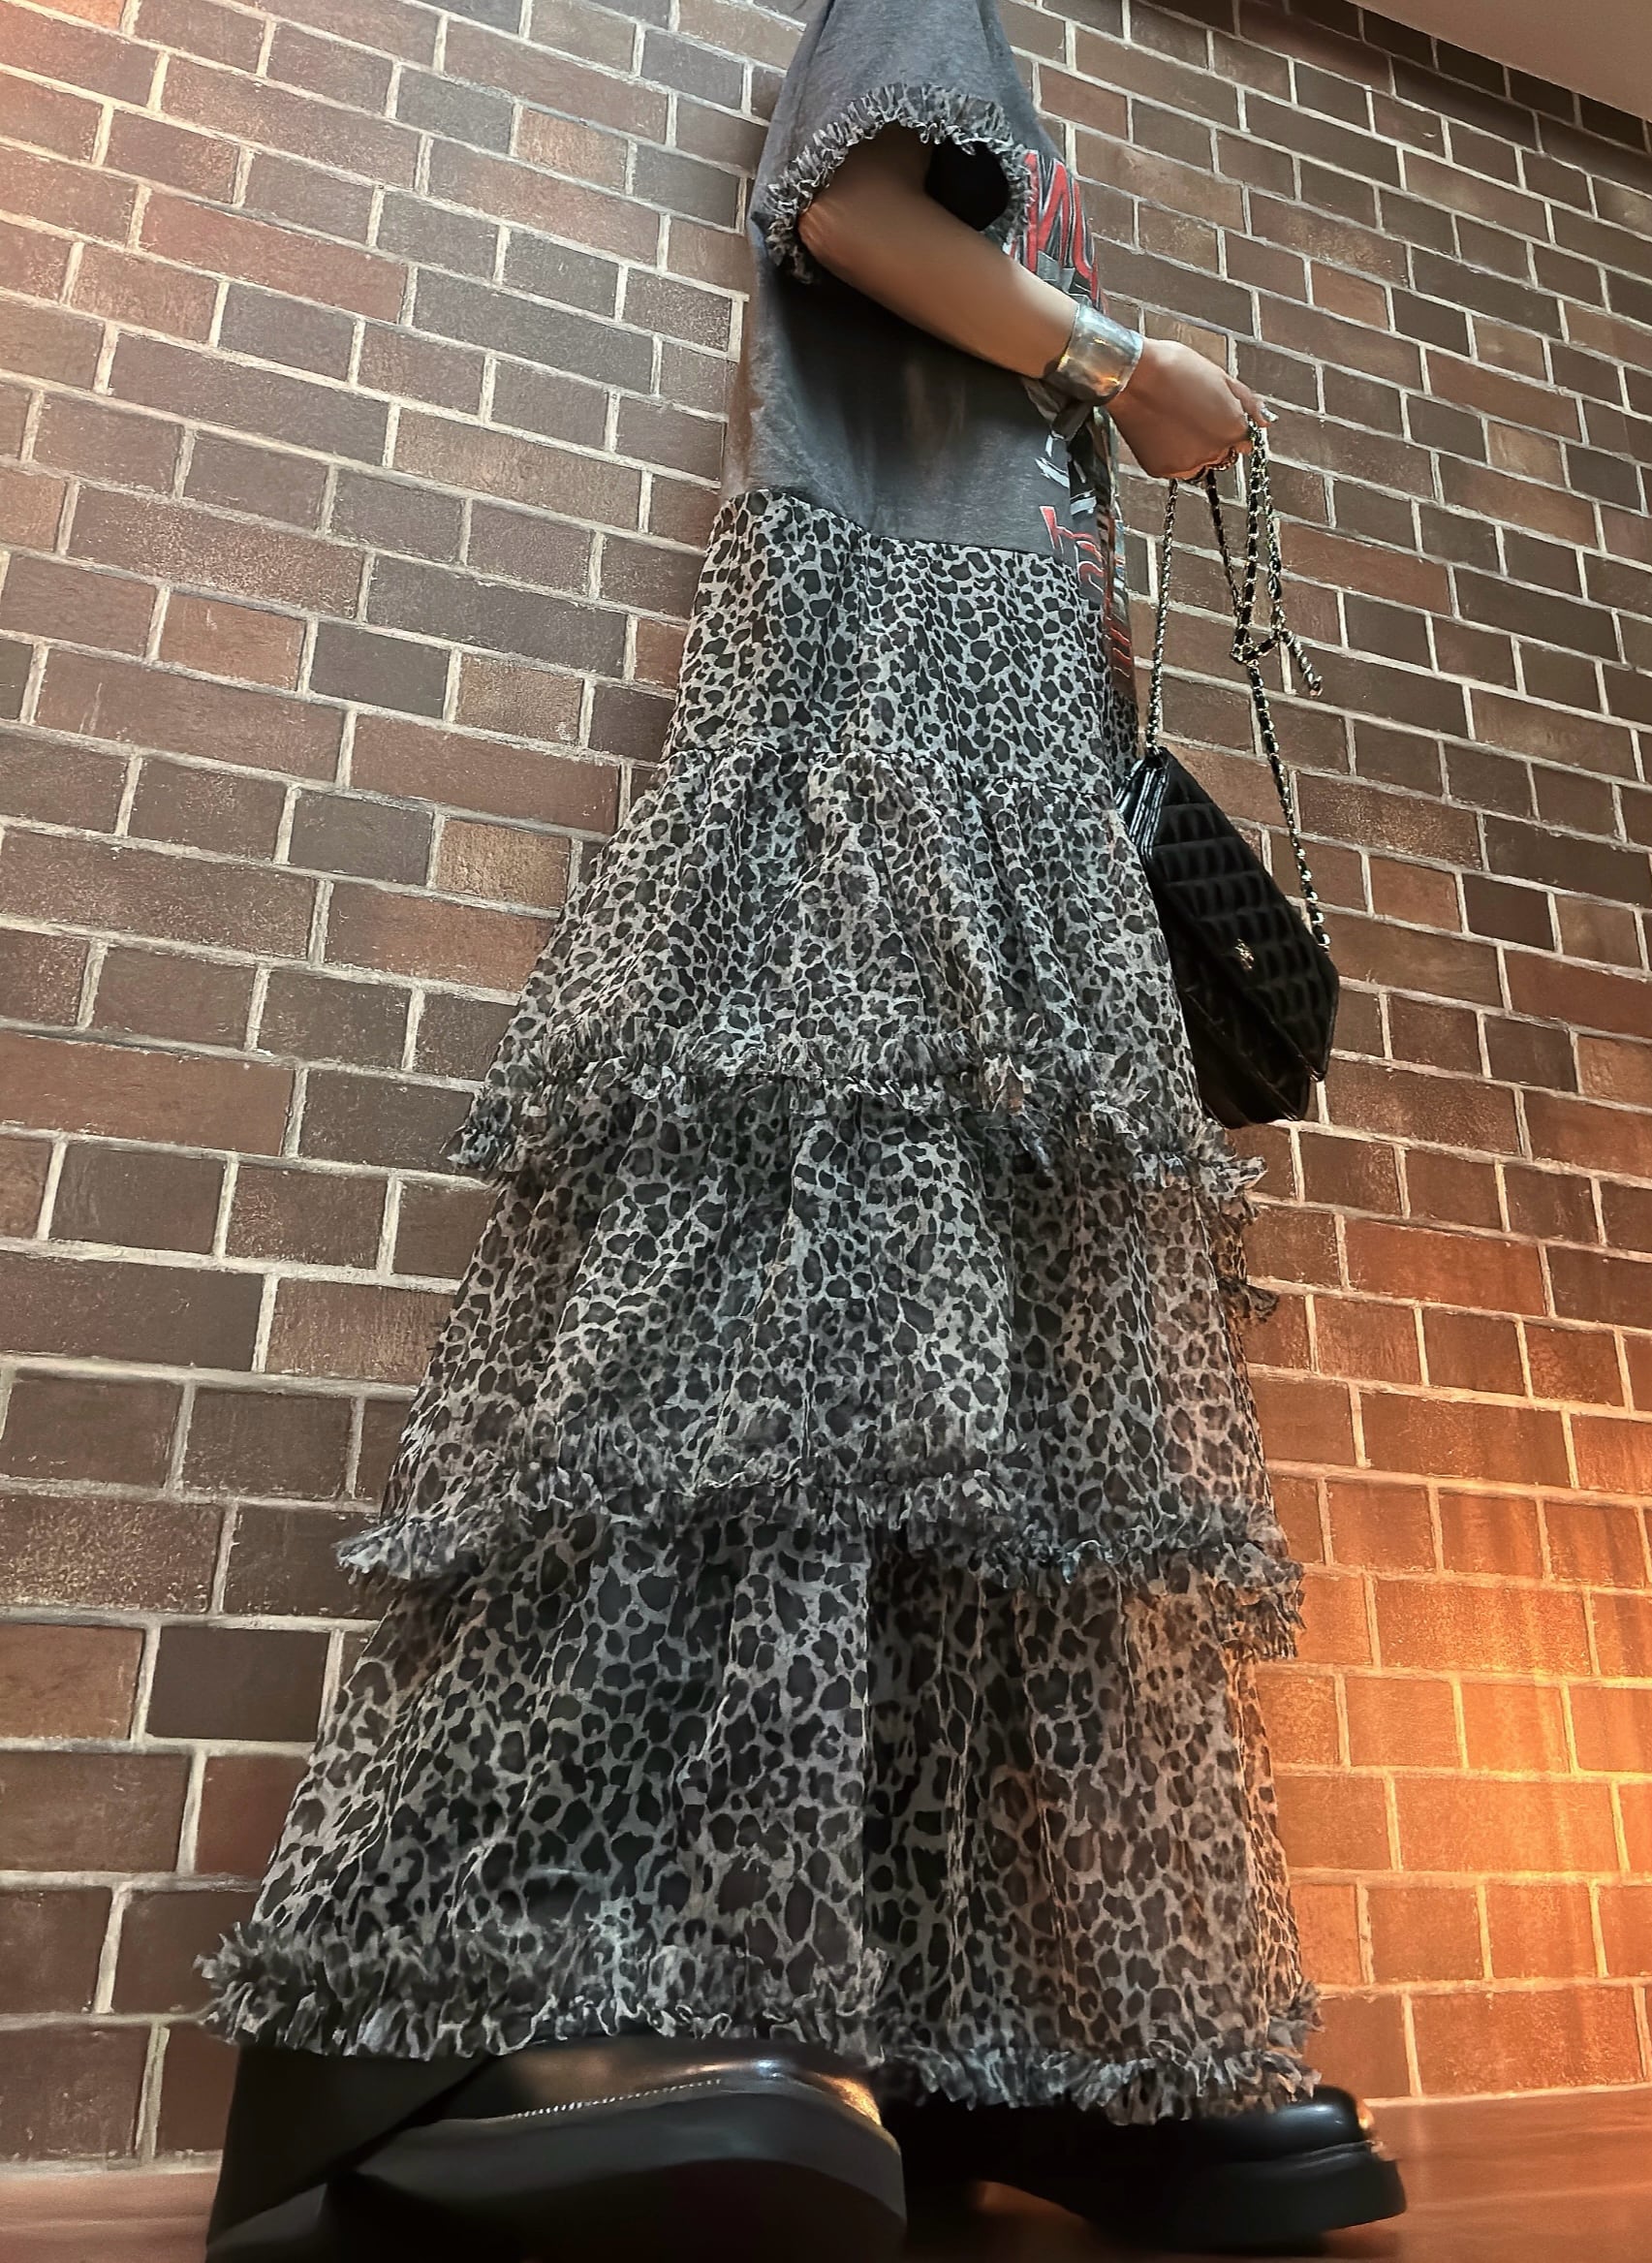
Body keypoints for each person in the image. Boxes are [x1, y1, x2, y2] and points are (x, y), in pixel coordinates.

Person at [198, 2, 1406, 2257]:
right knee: (779, 1304)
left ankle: (990, 2033)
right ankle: (494, 2009)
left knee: (995, 1414)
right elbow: (843, 213)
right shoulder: (934, 11)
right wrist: (1124, 363)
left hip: (1006, 737)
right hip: (885, 688)